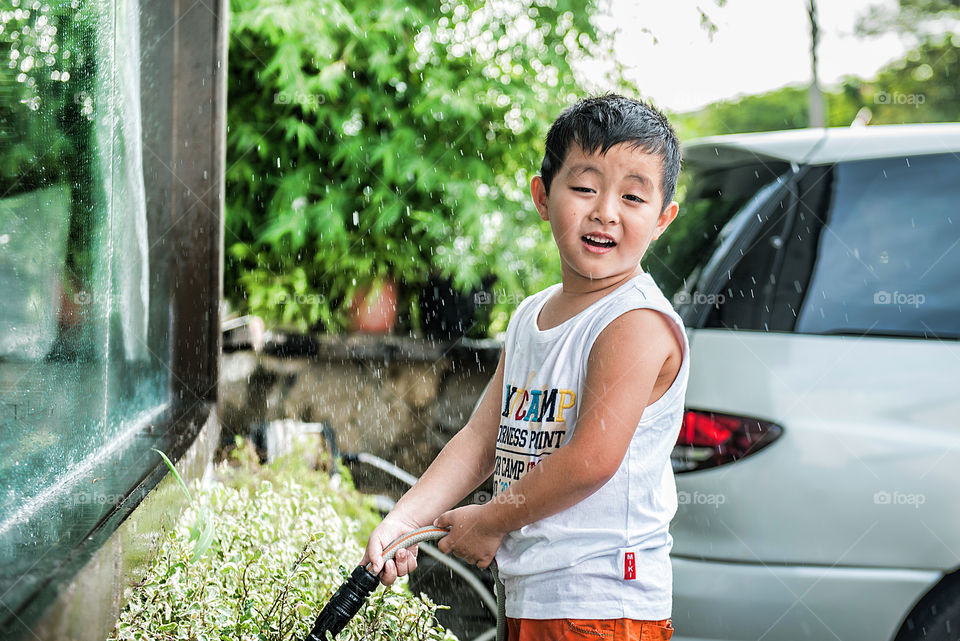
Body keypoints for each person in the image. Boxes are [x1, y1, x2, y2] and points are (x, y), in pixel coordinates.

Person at [362, 93, 688, 641]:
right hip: (533, 595)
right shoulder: (532, 315)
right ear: (542, 195)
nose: (605, 210)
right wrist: (406, 518)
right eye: (584, 187)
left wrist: (490, 520)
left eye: (633, 196)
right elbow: (481, 438)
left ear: (662, 220)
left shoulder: (635, 321)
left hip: (603, 603)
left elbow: (591, 462)